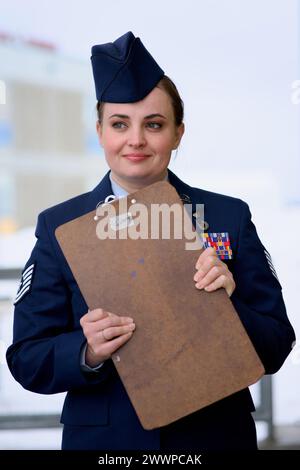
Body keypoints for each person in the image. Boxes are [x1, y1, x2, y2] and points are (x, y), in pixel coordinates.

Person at [7, 31, 295, 451]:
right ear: (100, 131)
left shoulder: (227, 216)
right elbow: (27, 357)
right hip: (108, 444)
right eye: (120, 124)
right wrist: (85, 351)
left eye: (154, 124)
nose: (136, 140)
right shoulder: (61, 226)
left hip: (214, 438)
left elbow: (276, 343)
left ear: (178, 133)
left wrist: (227, 305)